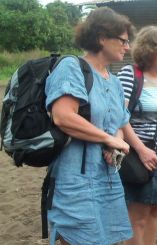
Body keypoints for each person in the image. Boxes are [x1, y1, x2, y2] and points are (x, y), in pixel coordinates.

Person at [44, 7, 134, 245]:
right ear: (102, 37)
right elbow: (62, 116)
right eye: (123, 41)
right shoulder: (72, 67)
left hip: (107, 178)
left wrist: (114, 141)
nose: (128, 47)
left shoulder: (114, 82)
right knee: (77, 238)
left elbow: (120, 121)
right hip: (75, 179)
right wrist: (108, 139)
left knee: (110, 238)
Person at [117, 26, 157, 245]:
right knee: (138, 218)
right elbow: (120, 116)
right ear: (147, 51)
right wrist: (142, 150)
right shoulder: (130, 74)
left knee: (155, 212)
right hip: (140, 157)